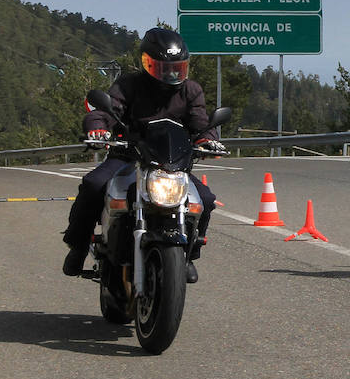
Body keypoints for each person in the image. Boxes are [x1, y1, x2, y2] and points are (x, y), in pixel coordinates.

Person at [61, 27, 226, 284]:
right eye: (163, 67)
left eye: (177, 68)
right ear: (147, 63)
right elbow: (106, 110)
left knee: (205, 198)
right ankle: (78, 245)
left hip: (171, 163)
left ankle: (190, 254)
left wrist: (208, 140)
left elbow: (200, 121)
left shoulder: (190, 90)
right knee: (94, 185)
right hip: (128, 156)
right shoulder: (129, 85)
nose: (171, 73)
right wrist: (98, 128)